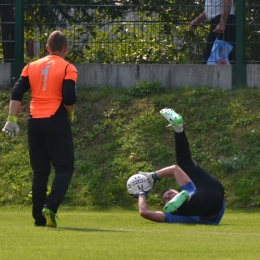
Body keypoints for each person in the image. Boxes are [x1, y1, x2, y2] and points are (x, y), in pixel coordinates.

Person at [2, 31, 77, 228]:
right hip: (56, 120)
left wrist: (12, 119)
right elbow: (69, 97)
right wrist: (69, 114)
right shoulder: (68, 67)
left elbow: (17, 91)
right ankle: (50, 206)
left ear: (47, 48)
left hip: (34, 122)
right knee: (64, 167)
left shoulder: (31, 66)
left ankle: (38, 218)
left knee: (40, 171)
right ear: (66, 49)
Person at [136, 108, 225, 224]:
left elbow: (174, 169)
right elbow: (144, 212)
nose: (168, 196)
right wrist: (141, 193)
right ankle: (178, 129)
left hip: (211, 189)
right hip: (210, 207)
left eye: (169, 194)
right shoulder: (169, 216)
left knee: (183, 161)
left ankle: (178, 128)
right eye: (166, 199)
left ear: (179, 191)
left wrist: (152, 177)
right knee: (185, 163)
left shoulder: (189, 188)